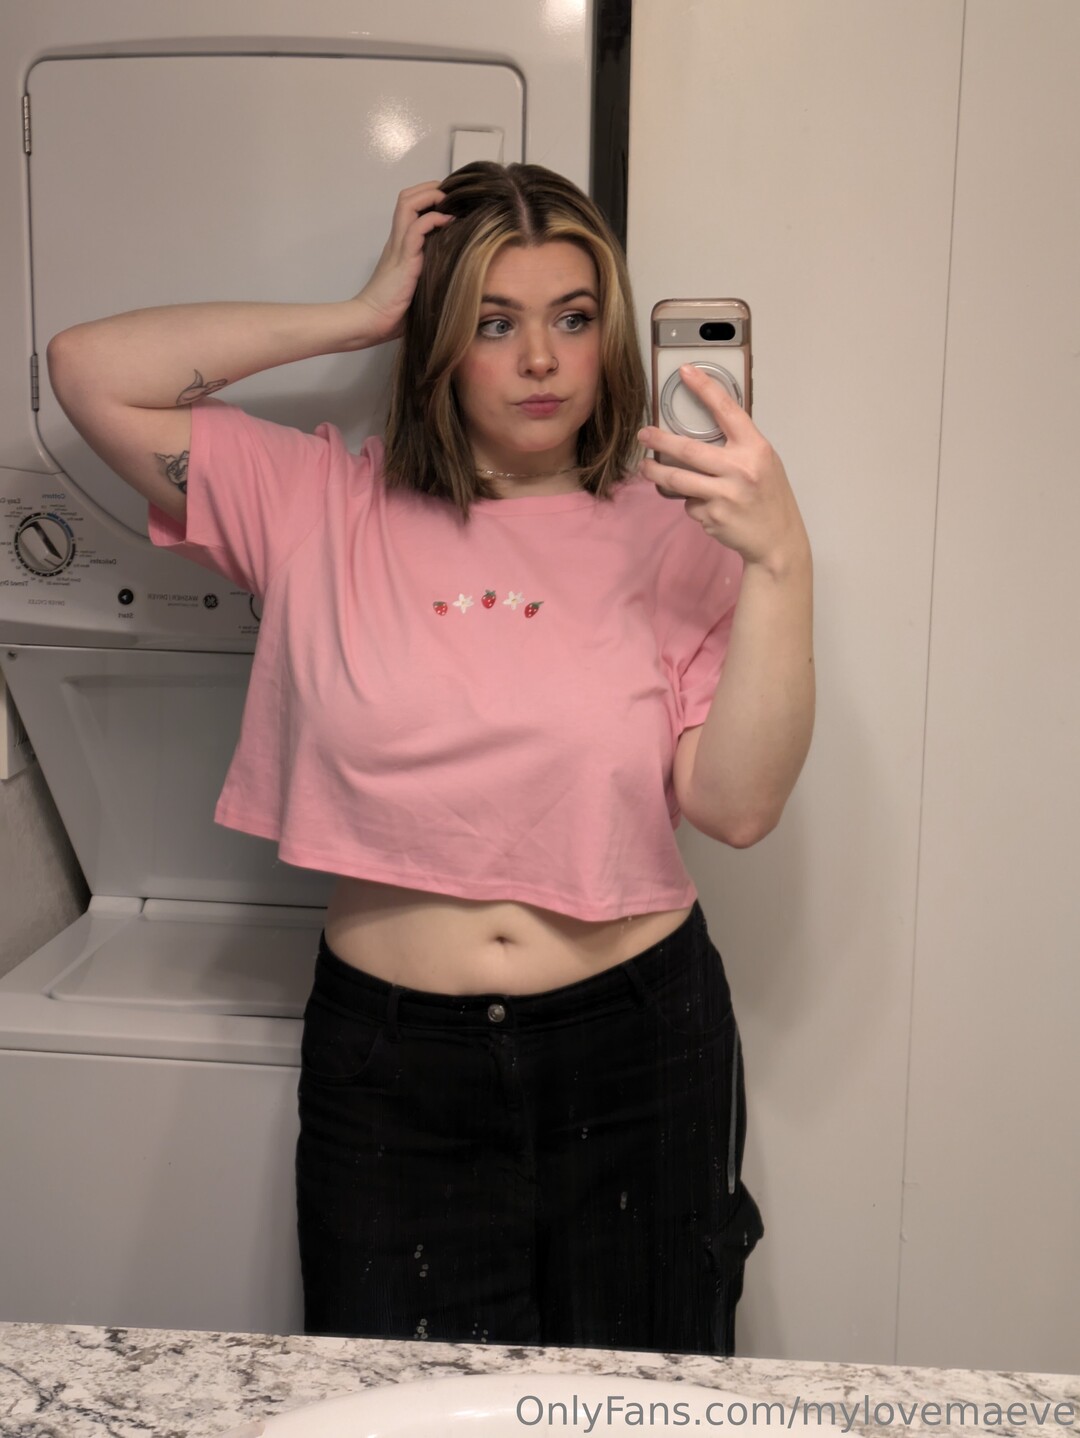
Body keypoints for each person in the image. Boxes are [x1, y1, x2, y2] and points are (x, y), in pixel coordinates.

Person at [46, 162, 814, 1354]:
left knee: (645, 1412)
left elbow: (739, 805)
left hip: (640, 1047)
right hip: (393, 1066)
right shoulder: (315, 502)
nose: (543, 360)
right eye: (495, 323)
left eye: (573, 318)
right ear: (440, 341)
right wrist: (360, 314)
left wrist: (779, 561)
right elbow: (86, 370)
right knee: (393, 1406)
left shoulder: (679, 524)